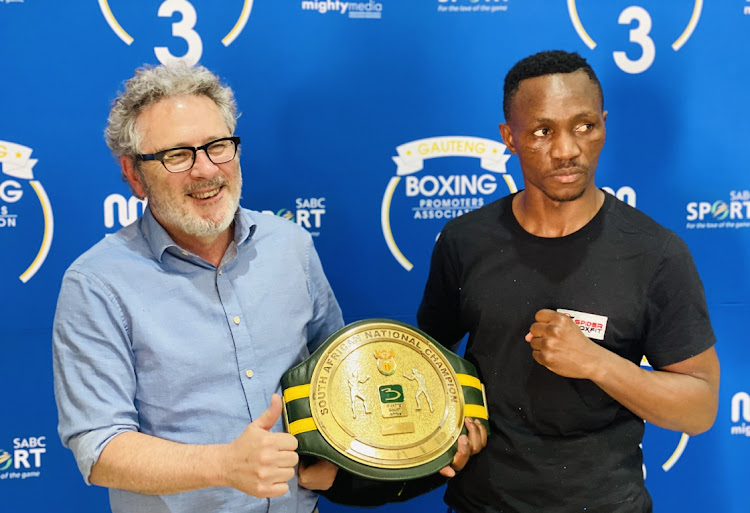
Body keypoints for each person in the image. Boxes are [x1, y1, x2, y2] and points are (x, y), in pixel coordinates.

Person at [416, 50, 720, 513]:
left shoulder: (656, 252)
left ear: (603, 124)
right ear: (509, 138)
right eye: (542, 131)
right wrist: (450, 424)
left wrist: (596, 363)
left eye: (584, 126)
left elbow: (699, 409)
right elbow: (426, 365)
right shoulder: (464, 241)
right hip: (482, 503)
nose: (567, 150)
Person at [52, 63, 346, 513]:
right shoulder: (96, 284)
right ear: (133, 174)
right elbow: (100, 448)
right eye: (177, 155)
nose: (205, 170)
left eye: (217, 146)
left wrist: (338, 456)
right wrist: (224, 465)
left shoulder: (292, 246)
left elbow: (338, 373)